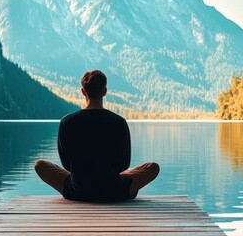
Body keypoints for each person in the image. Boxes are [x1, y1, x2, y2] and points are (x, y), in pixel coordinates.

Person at [34, 70, 159, 202]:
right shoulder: (118, 122)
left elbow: (66, 165)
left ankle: (104, 187)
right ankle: (126, 189)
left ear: (83, 91)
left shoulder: (67, 122)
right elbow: (124, 164)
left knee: (40, 165)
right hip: (114, 190)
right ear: (104, 91)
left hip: (77, 190)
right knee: (152, 168)